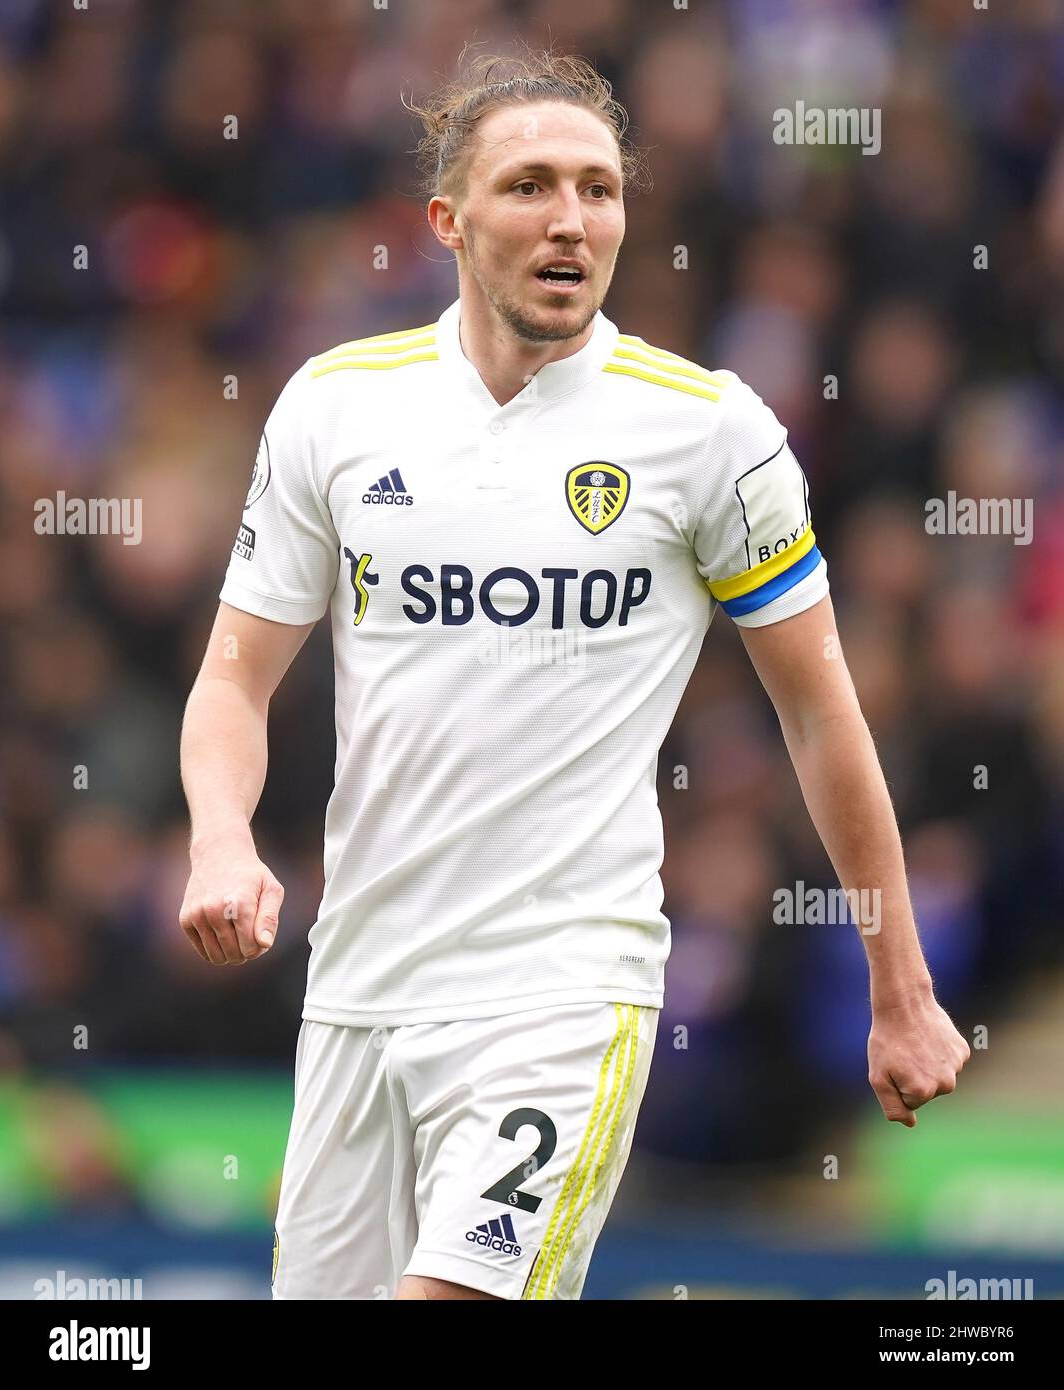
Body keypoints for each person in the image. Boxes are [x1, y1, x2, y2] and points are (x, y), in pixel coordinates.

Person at [179, 49, 969, 1301]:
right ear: (448, 220)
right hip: (360, 991)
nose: (571, 219)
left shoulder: (708, 432)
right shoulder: (336, 408)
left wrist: (901, 984)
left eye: (599, 189)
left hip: (563, 993)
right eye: (531, 186)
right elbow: (234, 675)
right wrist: (222, 839)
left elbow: (822, 714)